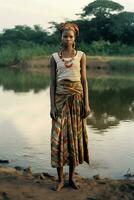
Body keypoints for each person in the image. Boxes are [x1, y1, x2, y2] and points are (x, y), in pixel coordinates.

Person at [50, 22, 91, 191]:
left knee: (74, 139)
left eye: (70, 36)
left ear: (75, 39)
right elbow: (52, 83)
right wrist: (52, 106)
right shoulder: (54, 57)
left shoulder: (81, 55)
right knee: (58, 139)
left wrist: (87, 104)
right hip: (60, 101)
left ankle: (71, 178)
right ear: (61, 38)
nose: (67, 39)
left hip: (77, 101)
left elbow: (84, 80)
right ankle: (60, 179)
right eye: (65, 36)